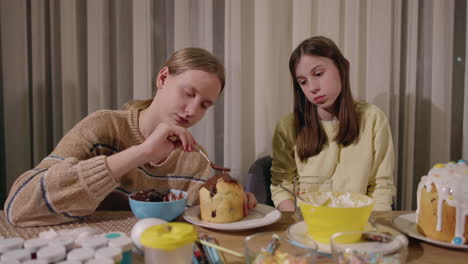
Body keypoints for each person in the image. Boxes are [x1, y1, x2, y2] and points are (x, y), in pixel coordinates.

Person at [5, 48, 256, 227]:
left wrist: (236, 202)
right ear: (163, 78)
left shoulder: (195, 159)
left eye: (204, 105)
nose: (192, 111)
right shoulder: (102, 128)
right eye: (188, 93)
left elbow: (201, 222)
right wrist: (141, 153)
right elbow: (19, 207)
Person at [270, 36, 395, 211]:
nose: (312, 87)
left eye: (319, 74)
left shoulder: (373, 118)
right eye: (303, 82)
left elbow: (381, 187)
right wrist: (298, 219)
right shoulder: (288, 126)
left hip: (358, 225)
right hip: (308, 225)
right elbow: (281, 186)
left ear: (343, 67)